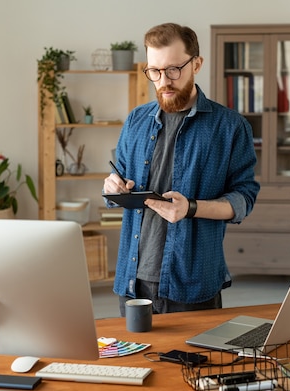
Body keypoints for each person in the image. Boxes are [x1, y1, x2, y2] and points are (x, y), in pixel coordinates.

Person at [103, 23, 260, 316]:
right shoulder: (135, 121)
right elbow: (118, 181)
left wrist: (190, 208)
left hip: (193, 282)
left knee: (196, 362)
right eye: (155, 71)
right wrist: (112, 189)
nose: (164, 81)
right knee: (137, 360)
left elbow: (244, 199)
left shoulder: (230, 127)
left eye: (174, 69)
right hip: (132, 279)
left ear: (197, 64)